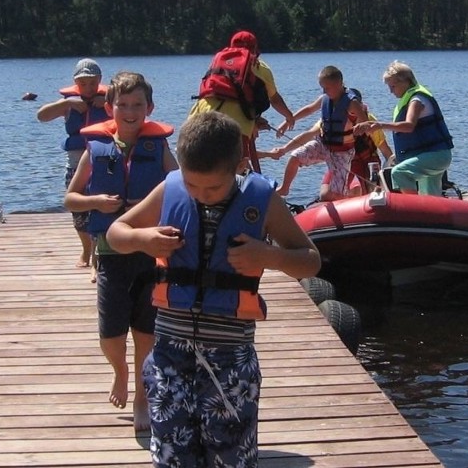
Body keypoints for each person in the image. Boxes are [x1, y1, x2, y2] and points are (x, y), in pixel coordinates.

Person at [106, 111, 321, 467]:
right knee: (173, 455)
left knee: (231, 454)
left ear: (238, 166)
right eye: (193, 186)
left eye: (214, 188)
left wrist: (268, 255)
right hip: (169, 355)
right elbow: (117, 233)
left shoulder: (261, 200)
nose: (202, 195)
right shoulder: (171, 187)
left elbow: (310, 260)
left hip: (230, 356)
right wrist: (143, 239)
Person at [64, 71, 179, 432]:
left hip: (149, 250)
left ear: (150, 108)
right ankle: (120, 371)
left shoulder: (159, 148)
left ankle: (143, 396)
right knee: (110, 333)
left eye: (138, 105)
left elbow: (179, 188)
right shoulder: (95, 150)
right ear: (110, 108)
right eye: (123, 105)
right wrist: (96, 201)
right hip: (110, 252)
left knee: (147, 329)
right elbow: (70, 198)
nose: (130, 112)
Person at [37, 58, 111, 281]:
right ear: (76, 83)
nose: (88, 88)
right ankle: (86, 251)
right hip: (75, 163)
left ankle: (97, 261)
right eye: (83, 83)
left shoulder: (109, 100)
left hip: (102, 163)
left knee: (99, 209)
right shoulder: (69, 104)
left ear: (99, 81)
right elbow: (41, 116)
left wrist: (107, 101)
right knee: (79, 213)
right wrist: (66, 105)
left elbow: (135, 113)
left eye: (92, 83)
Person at [189, 30, 295, 173]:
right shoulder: (259, 66)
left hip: (199, 119)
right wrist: (289, 116)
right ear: (255, 49)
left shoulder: (219, 61)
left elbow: (226, 95)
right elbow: (274, 99)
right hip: (234, 126)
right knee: (241, 172)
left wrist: (255, 119)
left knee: (202, 167)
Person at [354, 60, 453, 196]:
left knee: (399, 173)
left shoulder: (417, 100)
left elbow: (409, 126)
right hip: (429, 154)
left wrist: (380, 125)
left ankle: (412, 210)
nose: (390, 91)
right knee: (430, 195)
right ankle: (431, 215)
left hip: (435, 155)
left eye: (393, 86)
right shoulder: (409, 99)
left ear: (405, 81)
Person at [272, 66, 370, 200]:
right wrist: (289, 119)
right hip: (322, 146)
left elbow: (366, 123)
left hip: (342, 153)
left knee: (336, 192)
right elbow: (309, 109)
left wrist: (362, 126)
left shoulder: (352, 103)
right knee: (295, 157)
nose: (324, 90)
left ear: (339, 84)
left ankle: (352, 198)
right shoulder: (324, 99)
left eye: (327, 87)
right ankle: (284, 188)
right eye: (322, 87)